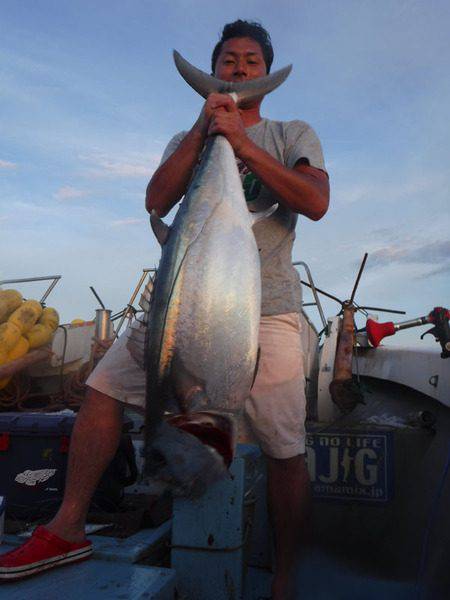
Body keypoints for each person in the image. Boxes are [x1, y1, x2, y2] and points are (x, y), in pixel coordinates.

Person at [0, 20, 329, 600]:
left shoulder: (290, 133)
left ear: (267, 76)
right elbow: (156, 200)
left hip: (267, 307)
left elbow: (315, 201)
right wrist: (209, 129)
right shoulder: (191, 137)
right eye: (228, 60)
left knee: (285, 448)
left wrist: (243, 142)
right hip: (185, 302)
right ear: (216, 70)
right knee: (102, 391)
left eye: (251, 60)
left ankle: (285, 577)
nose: (239, 69)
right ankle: (68, 526)